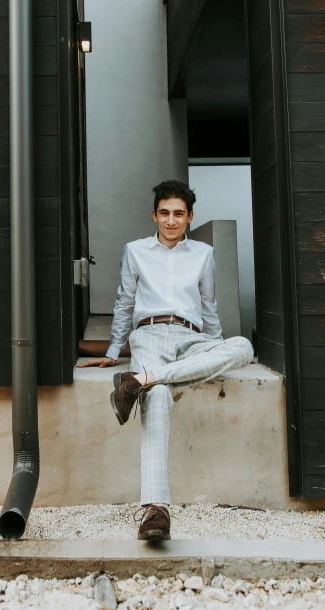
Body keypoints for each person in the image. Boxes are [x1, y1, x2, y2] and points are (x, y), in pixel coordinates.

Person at [77, 180, 254, 541]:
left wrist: (215, 351)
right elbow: (125, 303)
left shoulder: (203, 254)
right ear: (154, 215)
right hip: (150, 334)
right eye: (164, 213)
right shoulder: (135, 251)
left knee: (242, 348)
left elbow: (209, 307)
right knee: (158, 397)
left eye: (178, 214)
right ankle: (156, 509)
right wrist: (113, 352)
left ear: (189, 217)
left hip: (193, 337)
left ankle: (140, 380)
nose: (170, 221)